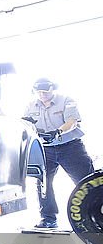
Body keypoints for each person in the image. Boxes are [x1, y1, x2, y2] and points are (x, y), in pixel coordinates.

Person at [23, 77, 94, 229]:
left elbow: (72, 121)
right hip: (45, 149)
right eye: (39, 92)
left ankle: (94, 216)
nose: (42, 94)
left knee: (87, 182)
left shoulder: (66, 100)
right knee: (44, 184)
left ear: (52, 89)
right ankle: (48, 219)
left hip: (70, 147)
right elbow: (26, 124)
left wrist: (57, 132)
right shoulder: (30, 105)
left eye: (45, 91)